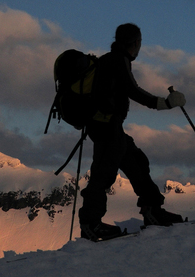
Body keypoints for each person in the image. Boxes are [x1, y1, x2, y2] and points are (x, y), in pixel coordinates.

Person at [79, 23, 187, 241]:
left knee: (136, 162)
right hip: (106, 127)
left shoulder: (109, 60)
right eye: (139, 42)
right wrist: (164, 104)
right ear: (136, 42)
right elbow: (133, 91)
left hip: (107, 126)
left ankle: (152, 211)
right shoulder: (118, 61)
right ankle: (91, 224)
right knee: (103, 174)